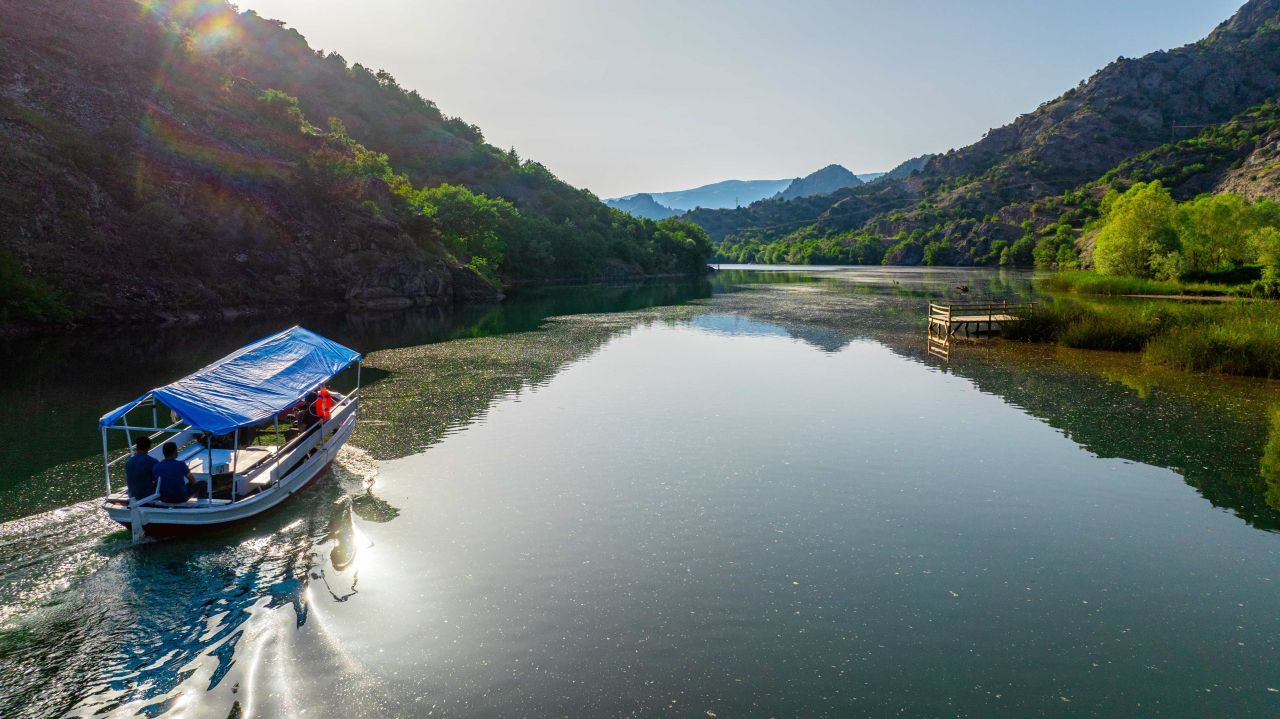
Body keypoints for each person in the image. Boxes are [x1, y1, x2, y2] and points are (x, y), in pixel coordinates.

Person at [125, 436, 159, 501]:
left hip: (132, 495)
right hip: (147, 496)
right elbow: (159, 480)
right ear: (149, 447)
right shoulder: (153, 461)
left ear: (137, 447)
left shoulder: (128, 462)